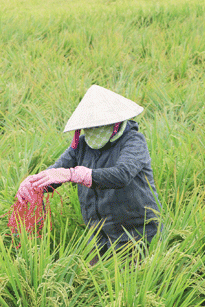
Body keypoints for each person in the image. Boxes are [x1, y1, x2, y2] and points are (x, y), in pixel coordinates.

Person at [16, 85, 161, 262]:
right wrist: (33, 184)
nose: (93, 131)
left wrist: (79, 175)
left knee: (128, 283)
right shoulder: (82, 145)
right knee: (93, 282)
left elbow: (123, 174)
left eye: (99, 125)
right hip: (98, 235)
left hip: (135, 232)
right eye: (89, 126)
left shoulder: (133, 141)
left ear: (115, 121)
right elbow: (57, 171)